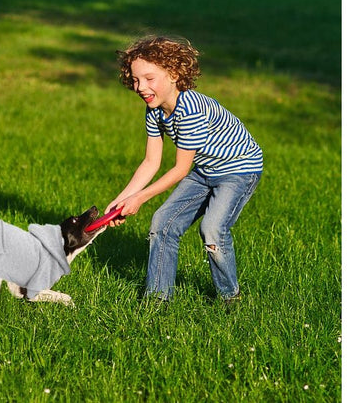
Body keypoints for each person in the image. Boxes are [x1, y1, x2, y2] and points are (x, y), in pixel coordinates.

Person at [105, 36, 263, 304]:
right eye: (135, 80)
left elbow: (179, 169)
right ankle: (157, 299)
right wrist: (121, 200)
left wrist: (139, 198)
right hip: (205, 170)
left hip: (239, 169)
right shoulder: (154, 110)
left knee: (212, 229)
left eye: (149, 78)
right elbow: (151, 162)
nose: (140, 87)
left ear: (174, 74)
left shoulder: (190, 110)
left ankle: (230, 298)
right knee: (163, 223)